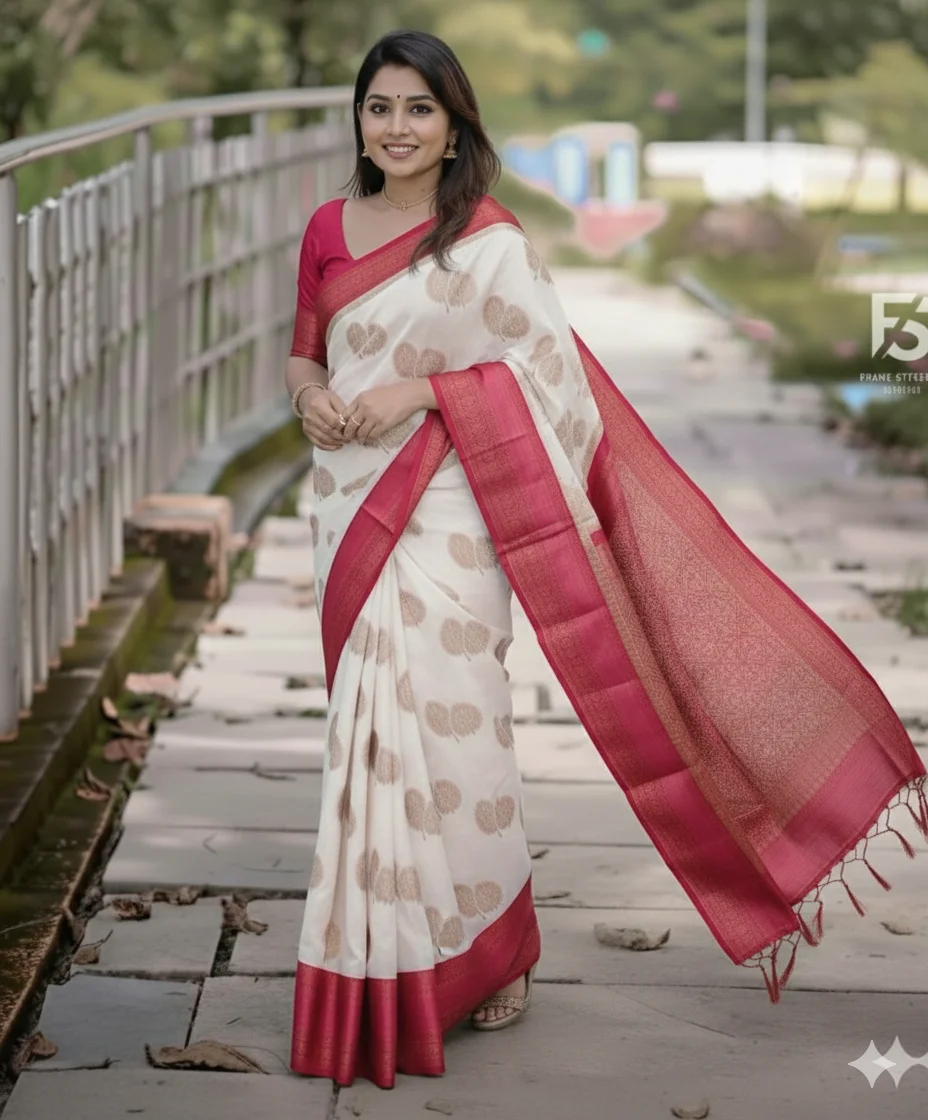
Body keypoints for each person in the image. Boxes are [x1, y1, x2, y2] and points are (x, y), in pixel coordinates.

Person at [285, 30, 928, 1091]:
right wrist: (312, 396)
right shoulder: (324, 226)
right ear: (359, 119)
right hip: (346, 502)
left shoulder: (487, 241)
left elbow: (548, 382)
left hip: (449, 502)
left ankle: (494, 943)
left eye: (417, 110)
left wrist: (421, 392)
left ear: (454, 131)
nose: (394, 127)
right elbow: (306, 346)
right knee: (364, 727)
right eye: (378, 107)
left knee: (456, 724)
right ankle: (375, 956)